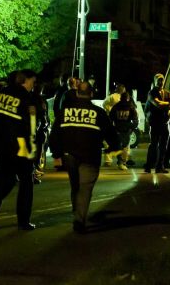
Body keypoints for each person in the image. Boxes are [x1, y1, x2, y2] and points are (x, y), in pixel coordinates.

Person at [50, 81, 116, 234]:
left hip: (69, 155)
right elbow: (110, 133)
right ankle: (79, 220)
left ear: (77, 93)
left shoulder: (65, 112)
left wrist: (56, 154)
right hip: (90, 156)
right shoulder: (98, 112)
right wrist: (113, 148)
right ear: (91, 94)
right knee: (85, 188)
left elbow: (55, 134)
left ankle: (76, 211)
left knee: (76, 186)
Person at [0, 70, 38, 231]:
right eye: (32, 82)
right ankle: (23, 220)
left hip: (1, 145)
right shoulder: (27, 98)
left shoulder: (0, 94)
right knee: (26, 182)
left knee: (7, 179)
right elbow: (31, 124)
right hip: (20, 146)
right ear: (24, 81)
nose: (33, 86)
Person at [143, 73, 170, 173]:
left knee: (163, 146)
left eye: (162, 80)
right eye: (159, 80)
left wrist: (166, 104)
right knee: (153, 145)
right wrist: (168, 104)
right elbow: (158, 104)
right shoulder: (152, 93)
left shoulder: (167, 93)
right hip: (155, 123)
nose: (161, 82)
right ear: (155, 81)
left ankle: (159, 166)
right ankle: (148, 166)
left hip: (165, 123)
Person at [106, 90, 138, 170]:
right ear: (127, 98)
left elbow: (110, 118)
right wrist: (132, 127)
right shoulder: (130, 107)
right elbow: (135, 119)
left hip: (118, 128)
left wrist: (112, 128)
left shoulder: (116, 106)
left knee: (120, 145)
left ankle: (120, 161)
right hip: (126, 129)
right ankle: (121, 162)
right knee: (125, 147)